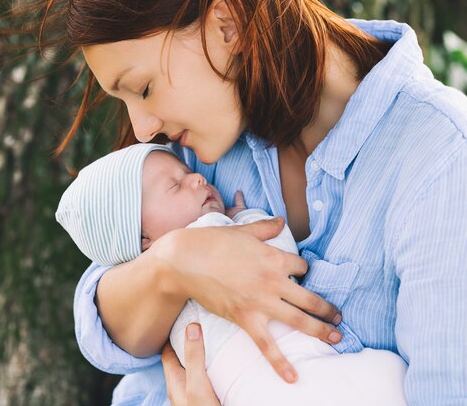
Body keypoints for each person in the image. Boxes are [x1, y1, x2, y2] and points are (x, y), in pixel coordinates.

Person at [6, 0, 467, 404]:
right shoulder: (205, 149)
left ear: (226, 25)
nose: (143, 129)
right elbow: (101, 314)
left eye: (143, 88)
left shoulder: (439, 159)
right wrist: (171, 266)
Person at [55, 143, 407, 405]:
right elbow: (278, 248)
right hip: (279, 364)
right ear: (142, 240)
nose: (195, 178)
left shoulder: (152, 303)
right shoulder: (206, 233)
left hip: (244, 389)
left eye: (185, 172)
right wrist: (245, 220)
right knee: (385, 377)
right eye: (174, 185)